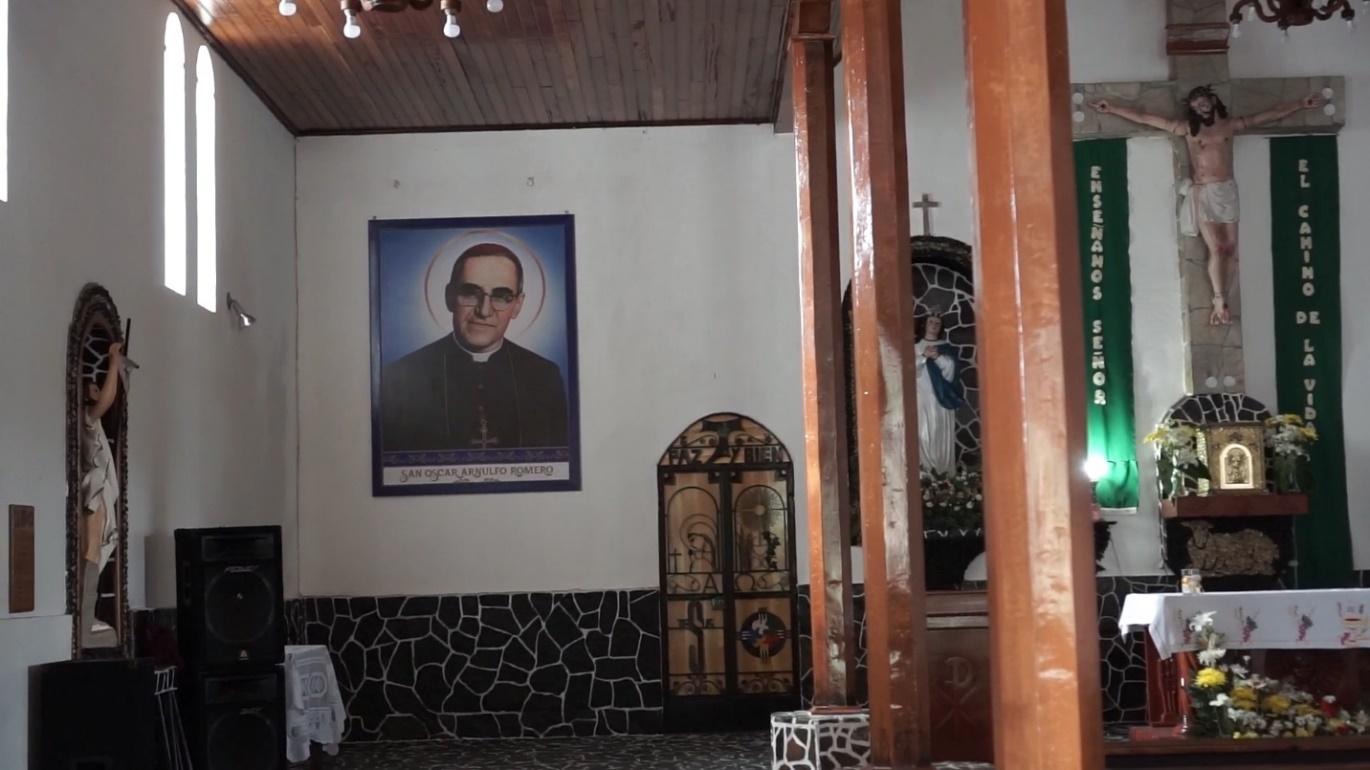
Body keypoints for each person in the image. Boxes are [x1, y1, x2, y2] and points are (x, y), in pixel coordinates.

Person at [1090, 87, 1325, 325]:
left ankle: (1225, 299)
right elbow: (1145, 118)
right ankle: (1218, 297)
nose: (1200, 106)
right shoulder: (1188, 130)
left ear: (1212, 101)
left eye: (1202, 101)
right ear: (1191, 108)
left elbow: (1270, 114)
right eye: (1195, 104)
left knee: (1231, 248)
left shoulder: (1229, 126)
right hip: (1204, 191)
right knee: (1217, 248)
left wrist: (1300, 104)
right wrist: (1113, 109)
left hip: (1227, 190)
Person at [380, 243, 568, 451]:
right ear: (450, 297)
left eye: (501, 296)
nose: (484, 311)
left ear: (517, 305)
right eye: (470, 293)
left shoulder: (544, 377)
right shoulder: (400, 377)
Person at [81, 341, 122, 641]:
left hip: (97, 494)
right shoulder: (87, 419)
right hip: (93, 494)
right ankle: (84, 616)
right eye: (94, 386)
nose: (98, 390)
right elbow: (108, 400)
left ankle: (87, 612)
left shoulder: (93, 426)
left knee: (96, 553)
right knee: (92, 552)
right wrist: (114, 361)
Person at [914, 313, 964, 475]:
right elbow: (908, 370)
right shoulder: (915, 346)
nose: (934, 325)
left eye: (938, 322)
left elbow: (951, 372)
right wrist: (923, 357)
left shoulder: (946, 347)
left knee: (940, 434)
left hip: (942, 398)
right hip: (921, 398)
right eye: (931, 322)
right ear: (924, 325)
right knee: (923, 433)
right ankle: (925, 473)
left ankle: (944, 473)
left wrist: (937, 357)